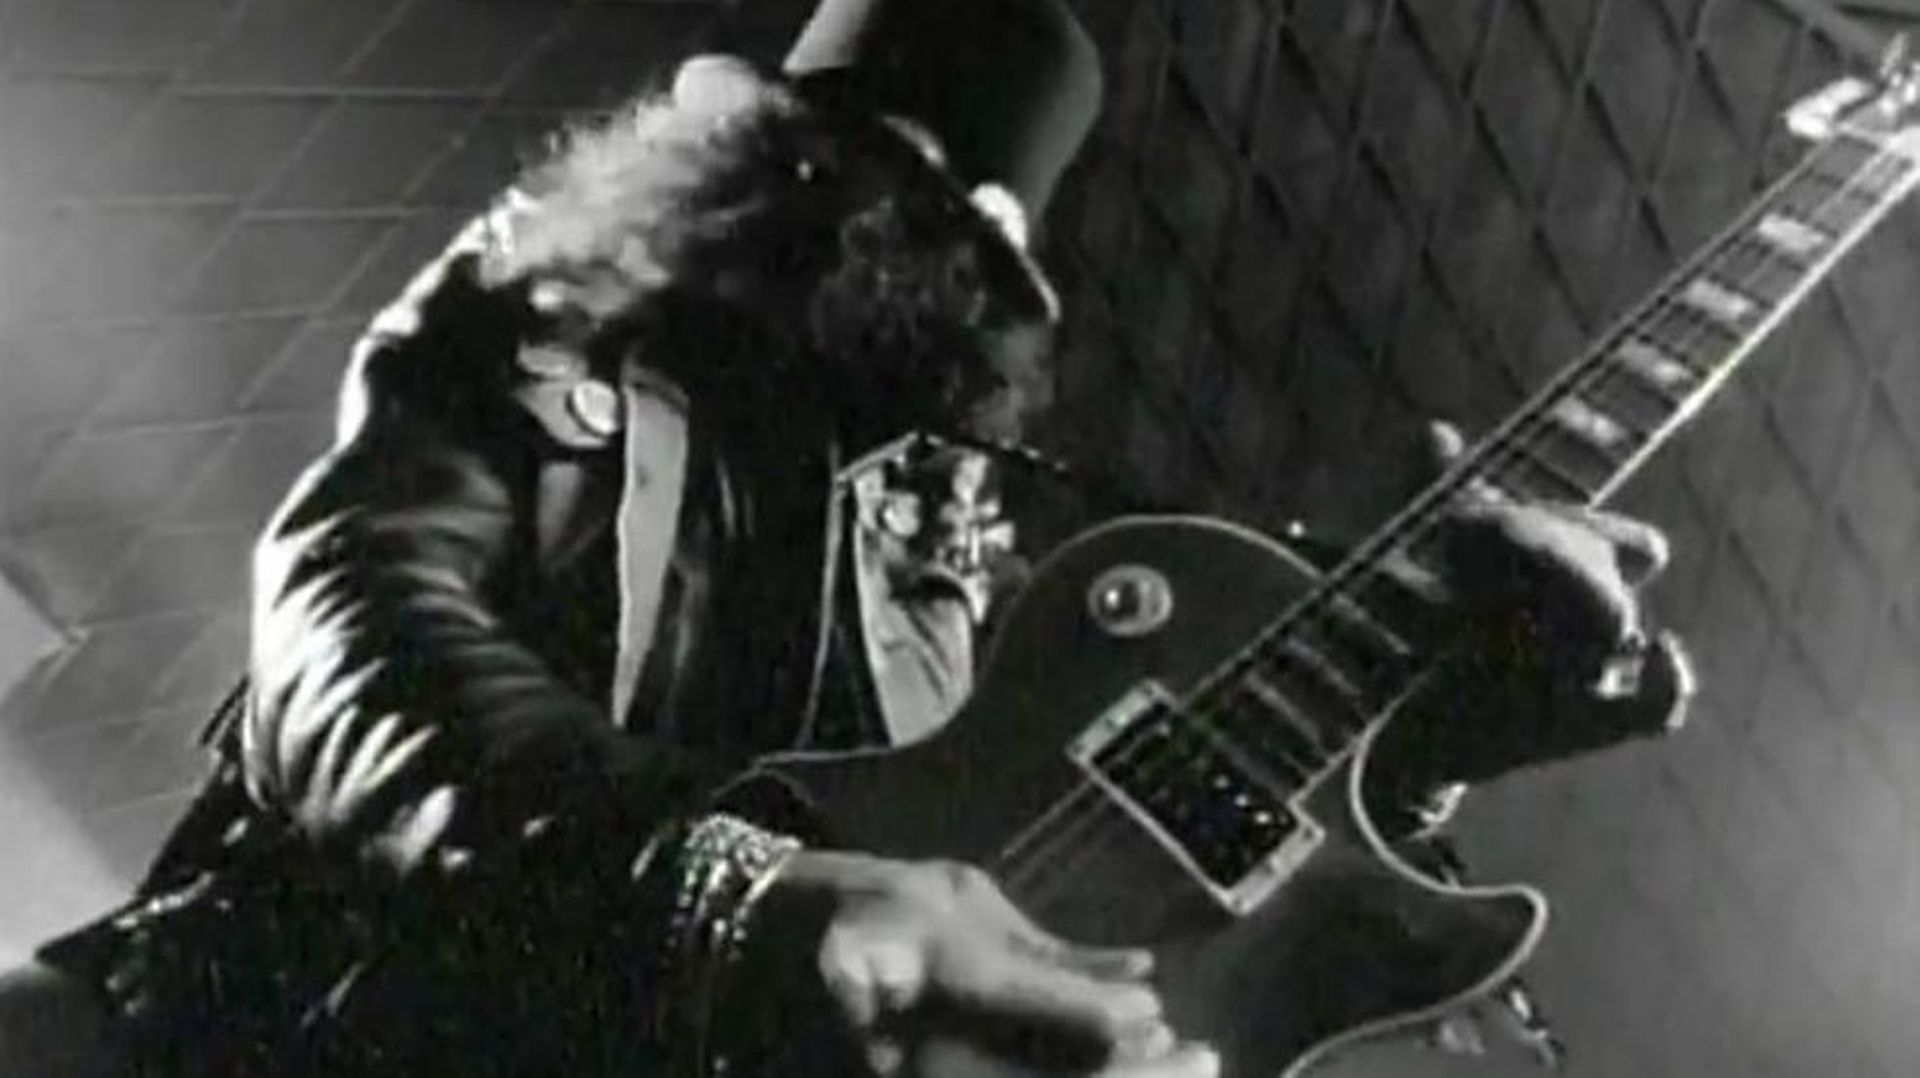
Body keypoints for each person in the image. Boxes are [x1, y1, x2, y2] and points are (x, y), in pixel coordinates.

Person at [31, 1, 1694, 1076]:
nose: (900, 239)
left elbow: (1067, 871)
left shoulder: (952, 558)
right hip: (275, 1023)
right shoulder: (560, 319)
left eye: (961, 232)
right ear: (749, 155)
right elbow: (352, 615)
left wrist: (1410, 741)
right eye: (858, 169)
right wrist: (730, 891)